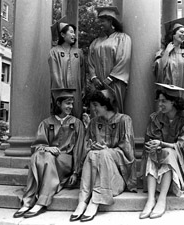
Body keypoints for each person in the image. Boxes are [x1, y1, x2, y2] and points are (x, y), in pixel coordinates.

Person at [13, 88, 85, 218]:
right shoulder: (46, 123)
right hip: (49, 159)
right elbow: (37, 145)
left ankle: (40, 201)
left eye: (72, 103)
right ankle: (29, 201)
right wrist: (48, 148)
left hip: (65, 161)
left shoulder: (77, 123)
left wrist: (76, 172)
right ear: (58, 103)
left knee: (45, 157)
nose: (71, 106)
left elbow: (79, 149)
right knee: (39, 155)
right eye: (67, 103)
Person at [69, 88, 137, 222]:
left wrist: (107, 150)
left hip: (115, 180)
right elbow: (86, 146)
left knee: (103, 153)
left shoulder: (124, 120)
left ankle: (95, 201)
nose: (93, 109)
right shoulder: (94, 122)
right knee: (92, 154)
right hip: (95, 171)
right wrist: (91, 147)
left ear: (106, 105)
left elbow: (128, 152)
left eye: (95, 105)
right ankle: (83, 200)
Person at [140, 83, 184, 219]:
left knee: (168, 153)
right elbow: (150, 139)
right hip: (160, 157)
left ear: (173, 102)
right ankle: (150, 199)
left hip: (180, 161)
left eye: (164, 101)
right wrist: (152, 145)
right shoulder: (155, 118)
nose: (160, 104)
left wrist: (162, 144)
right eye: (159, 101)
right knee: (153, 153)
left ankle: (161, 199)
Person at [88, 6, 132, 113]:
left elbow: (124, 59)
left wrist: (111, 78)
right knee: (97, 112)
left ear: (110, 21)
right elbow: (90, 62)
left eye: (102, 21)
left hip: (115, 83)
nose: (100, 24)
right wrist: (94, 78)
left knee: (113, 112)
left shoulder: (123, 38)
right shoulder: (95, 42)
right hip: (98, 84)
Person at [154, 18, 184, 111]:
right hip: (167, 94)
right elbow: (158, 70)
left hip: (183, 93)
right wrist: (167, 51)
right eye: (181, 32)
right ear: (173, 34)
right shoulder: (162, 53)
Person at [49, 17, 86, 119]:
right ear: (62, 34)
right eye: (71, 32)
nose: (74, 35)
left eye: (74, 33)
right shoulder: (54, 51)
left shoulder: (79, 52)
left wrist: (83, 88)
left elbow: (82, 72)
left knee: (77, 116)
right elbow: (54, 73)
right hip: (61, 91)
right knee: (62, 117)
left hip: (77, 91)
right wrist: (61, 92)